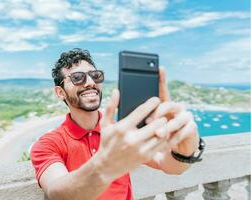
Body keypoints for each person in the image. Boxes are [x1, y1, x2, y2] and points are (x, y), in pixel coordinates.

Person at [31, 48, 202, 200]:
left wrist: (184, 152)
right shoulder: (48, 144)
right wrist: (104, 166)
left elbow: (171, 166)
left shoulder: (121, 131)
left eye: (95, 75)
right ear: (60, 92)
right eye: (77, 78)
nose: (90, 82)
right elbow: (56, 193)